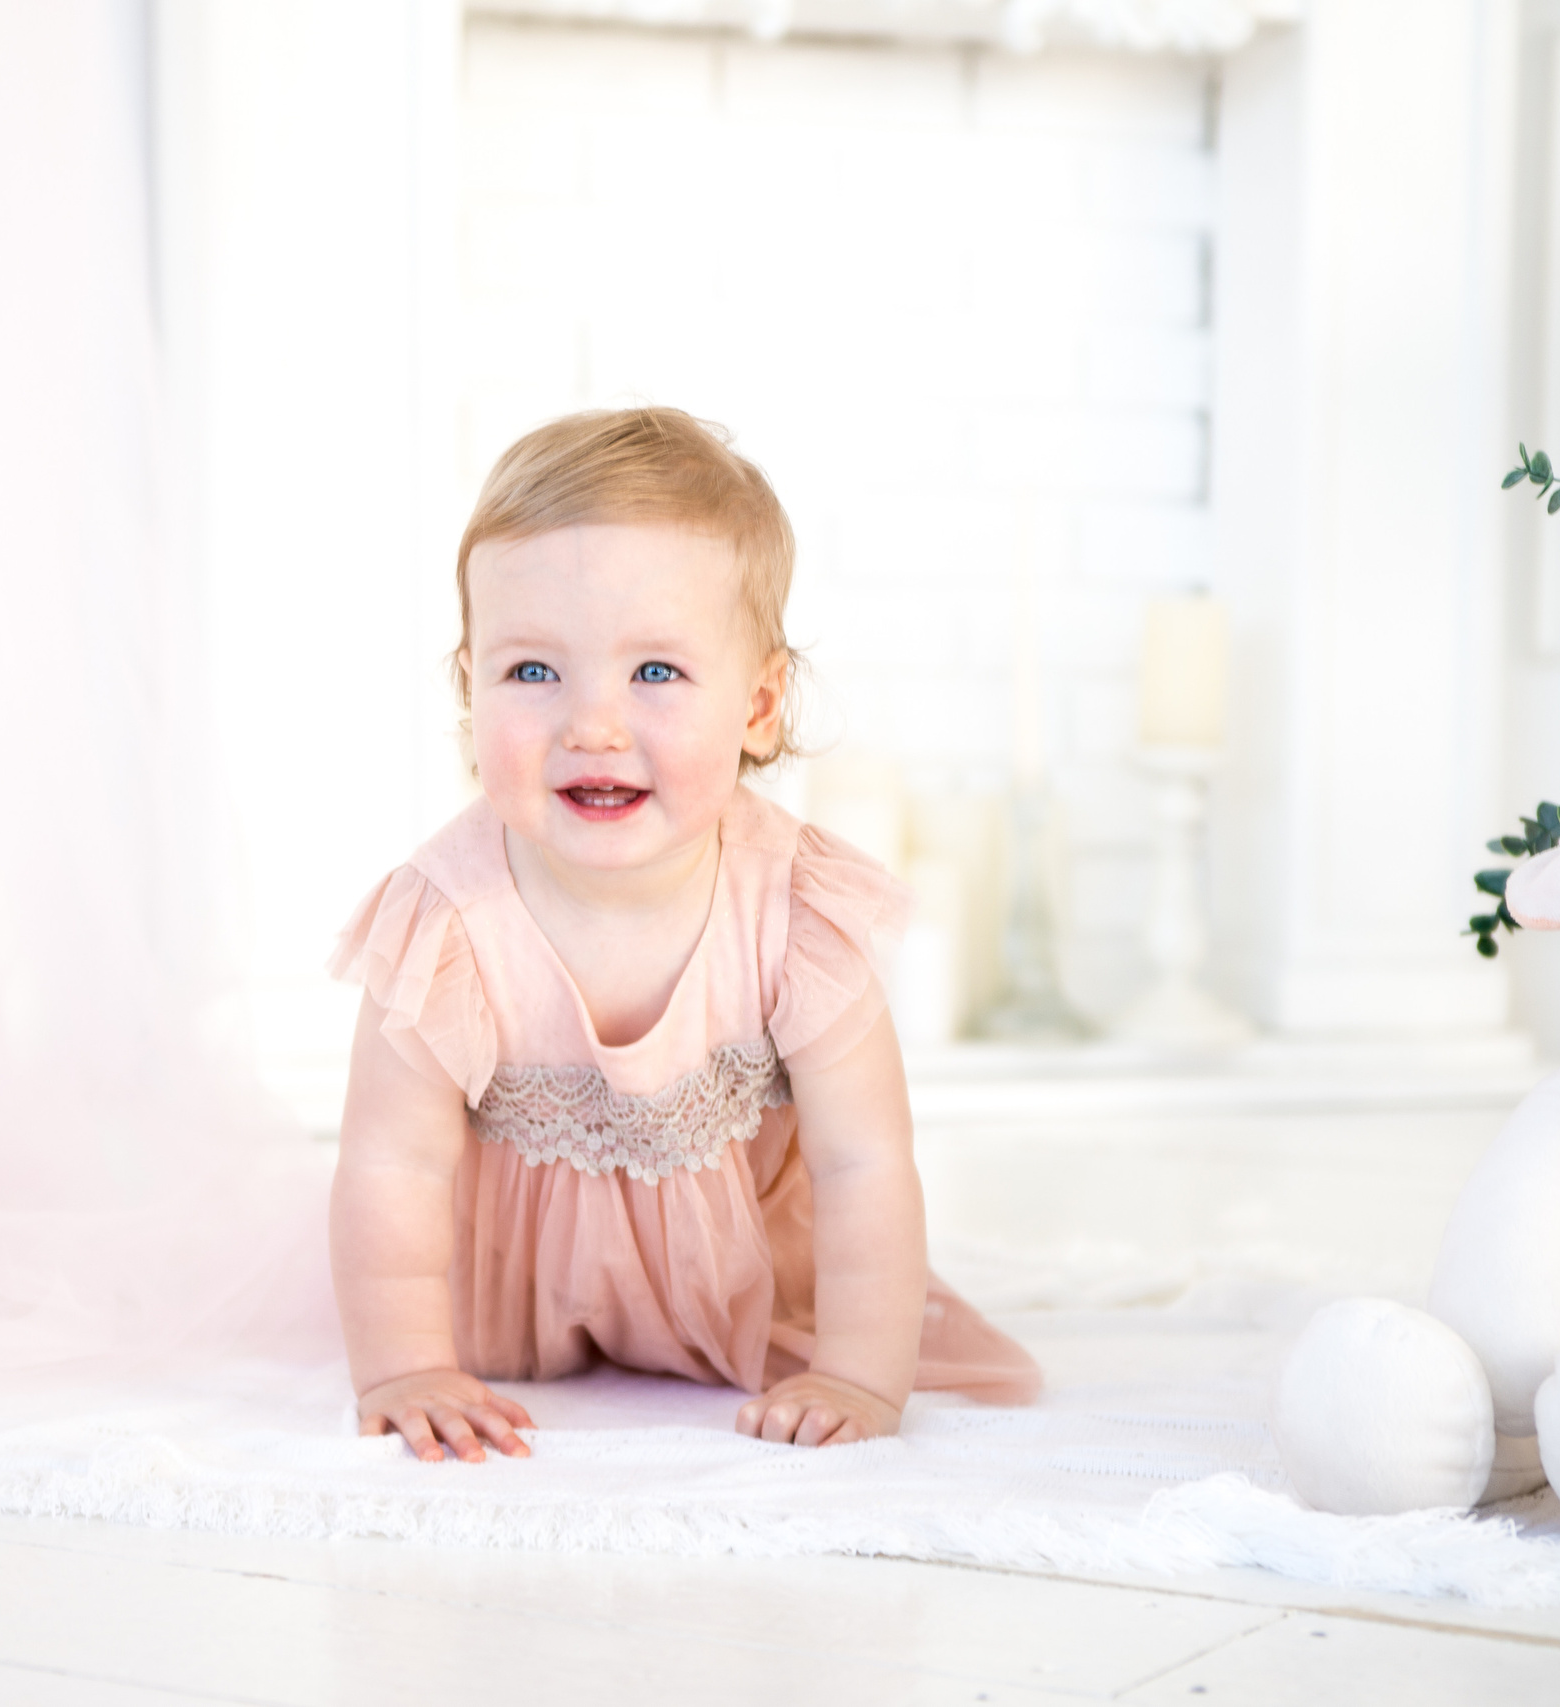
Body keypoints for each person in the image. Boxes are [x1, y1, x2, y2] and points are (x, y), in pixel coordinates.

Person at [327, 407, 1040, 1464]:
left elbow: (863, 1163)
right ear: (470, 687)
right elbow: (391, 1166)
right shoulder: (446, 921)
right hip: (514, 1301)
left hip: (745, 1287)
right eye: (532, 672)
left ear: (758, 706)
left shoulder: (793, 911)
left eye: (654, 672)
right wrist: (405, 1366)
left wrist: (857, 1374)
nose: (592, 725)